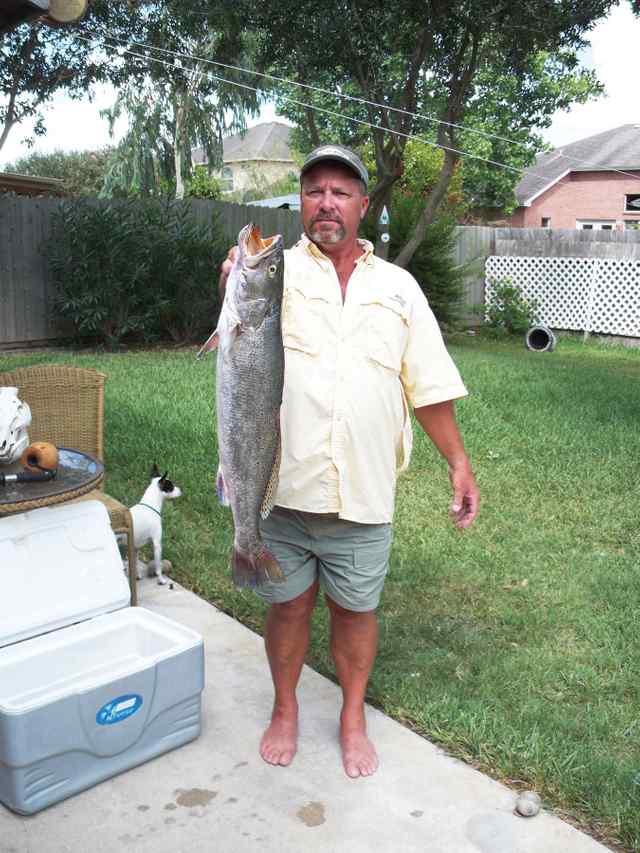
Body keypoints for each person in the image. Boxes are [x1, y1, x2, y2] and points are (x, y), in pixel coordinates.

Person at [218, 144, 479, 779]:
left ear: (363, 205)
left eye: (341, 192)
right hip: (281, 489)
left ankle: (352, 714)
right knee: (286, 607)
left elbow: (429, 384)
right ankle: (286, 709)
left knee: (356, 611)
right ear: (300, 202)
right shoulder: (275, 272)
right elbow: (239, 334)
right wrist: (230, 271)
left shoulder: (399, 289)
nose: (327, 203)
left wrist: (459, 462)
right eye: (314, 191)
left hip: (364, 492)